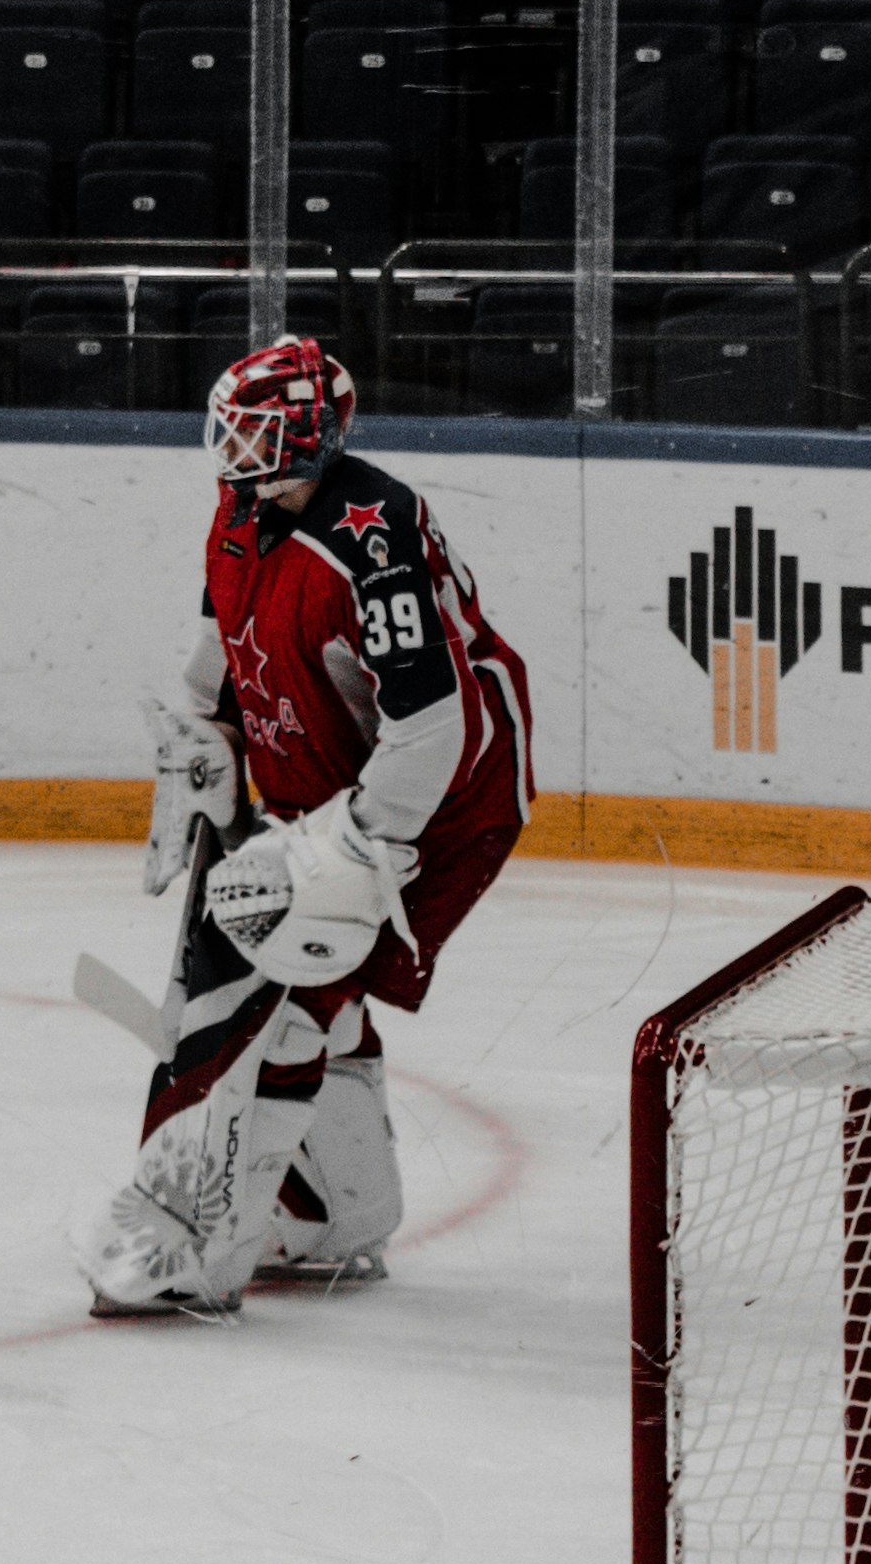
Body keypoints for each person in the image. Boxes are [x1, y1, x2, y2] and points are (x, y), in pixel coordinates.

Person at [75, 334, 534, 1314]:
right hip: (316, 776)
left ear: (307, 437)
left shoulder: (375, 534)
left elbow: (433, 721)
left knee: (256, 983)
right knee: (312, 985)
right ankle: (335, 1214)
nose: (230, 443)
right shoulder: (241, 510)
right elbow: (223, 638)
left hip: (434, 801)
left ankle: (190, 1242)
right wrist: (205, 729)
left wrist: (362, 846)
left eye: (253, 427)